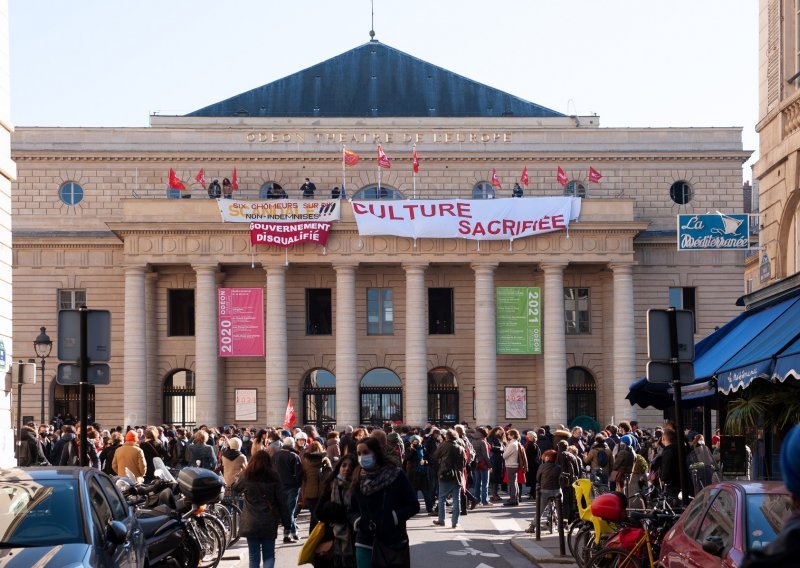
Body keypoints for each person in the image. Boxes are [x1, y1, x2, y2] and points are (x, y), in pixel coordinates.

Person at [347, 436, 418, 567]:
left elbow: (413, 505)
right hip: (365, 541)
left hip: (393, 541)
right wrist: (358, 521)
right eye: (359, 454)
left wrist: (393, 518)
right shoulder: (357, 477)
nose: (362, 457)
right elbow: (351, 509)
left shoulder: (396, 475)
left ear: (376, 453)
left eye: (366, 452)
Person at [233, 450, 284, 568]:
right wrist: (287, 523)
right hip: (269, 520)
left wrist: (238, 476)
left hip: (251, 521)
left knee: (253, 557)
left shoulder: (246, 475)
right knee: (269, 556)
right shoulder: (274, 476)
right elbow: (282, 500)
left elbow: (236, 488)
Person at [315, 454, 358, 568]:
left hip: (355, 538)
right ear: (339, 467)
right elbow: (318, 513)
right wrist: (336, 510)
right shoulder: (330, 485)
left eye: (350, 466)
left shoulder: (359, 487)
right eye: (344, 465)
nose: (347, 468)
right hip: (333, 538)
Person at [433, 429, 466, 528]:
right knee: (457, 499)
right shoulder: (460, 448)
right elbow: (463, 463)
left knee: (442, 498)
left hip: (445, 474)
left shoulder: (443, 445)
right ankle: (455, 522)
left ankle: (441, 520)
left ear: (447, 437)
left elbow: (435, 456)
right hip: (457, 475)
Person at [273, 436, 303, 543]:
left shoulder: (276, 455)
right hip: (292, 486)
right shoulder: (294, 456)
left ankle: (293, 533)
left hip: (280, 486)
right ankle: (289, 534)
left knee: (287, 510)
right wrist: (299, 484)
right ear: (292, 445)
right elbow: (299, 473)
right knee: (290, 510)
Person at [301, 440, 333, 533]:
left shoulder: (305, 460)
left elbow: (303, 479)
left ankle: (312, 537)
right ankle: (319, 537)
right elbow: (329, 476)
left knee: (314, 516)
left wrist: (303, 495)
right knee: (320, 516)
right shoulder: (325, 459)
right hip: (322, 493)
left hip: (309, 494)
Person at [502, 429, 525, 506]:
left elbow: (504, 455)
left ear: (512, 435)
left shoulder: (513, 444)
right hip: (513, 464)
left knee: (512, 483)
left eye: (508, 435)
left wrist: (505, 450)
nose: (507, 436)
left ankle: (513, 500)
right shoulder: (515, 443)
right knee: (515, 483)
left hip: (511, 465)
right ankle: (516, 499)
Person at [473, 427, 492, 506]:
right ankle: (485, 501)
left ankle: (477, 500)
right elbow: (486, 456)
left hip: (476, 464)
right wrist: (490, 465)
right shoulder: (482, 442)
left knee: (477, 483)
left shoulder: (473, 441)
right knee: (485, 483)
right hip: (483, 464)